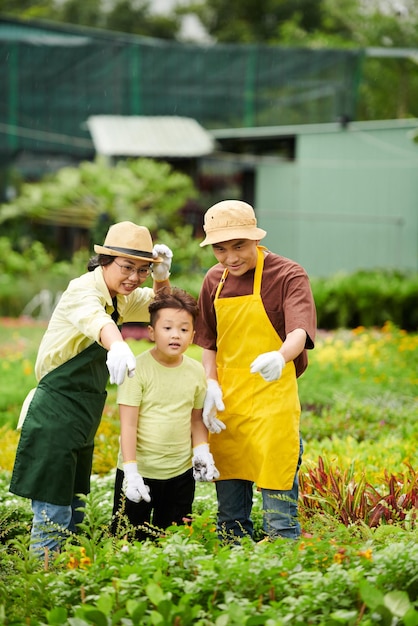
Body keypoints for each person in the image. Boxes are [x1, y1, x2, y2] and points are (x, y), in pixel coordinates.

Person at [9, 221, 173, 554]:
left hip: (83, 416)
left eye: (142, 270)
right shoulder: (82, 290)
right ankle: (44, 585)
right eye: (128, 267)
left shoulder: (121, 296)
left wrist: (161, 278)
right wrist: (118, 346)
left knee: (75, 509)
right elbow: (96, 321)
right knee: (54, 513)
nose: (134, 277)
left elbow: (163, 310)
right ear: (105, 261)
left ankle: (69, 582)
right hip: (55, 411)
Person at [194, 200, 316, 542]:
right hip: (228, 406)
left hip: (272, 404)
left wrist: (281, 357)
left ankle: (283, 570)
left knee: (280, 520)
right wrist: (211, 384)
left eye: (239, 246)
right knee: (230, 523)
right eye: (220, 249)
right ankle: (237, 578)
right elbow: (208, 343)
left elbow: (299, 331)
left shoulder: (287, 274)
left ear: (255, 239)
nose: (230, 258)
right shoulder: (213, 280)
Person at [111, 287, 218, 541]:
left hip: (179, 475)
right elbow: (128, 426)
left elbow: (196, 419)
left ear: (193, 335)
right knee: (128, 539)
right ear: (151, 332)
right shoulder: (137, 369)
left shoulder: (195, 372)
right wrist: (131, 472)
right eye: (167, 328)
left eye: (183, 329)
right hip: (140, 472)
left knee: (172, 540)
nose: (175, 335)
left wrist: (201, 452)